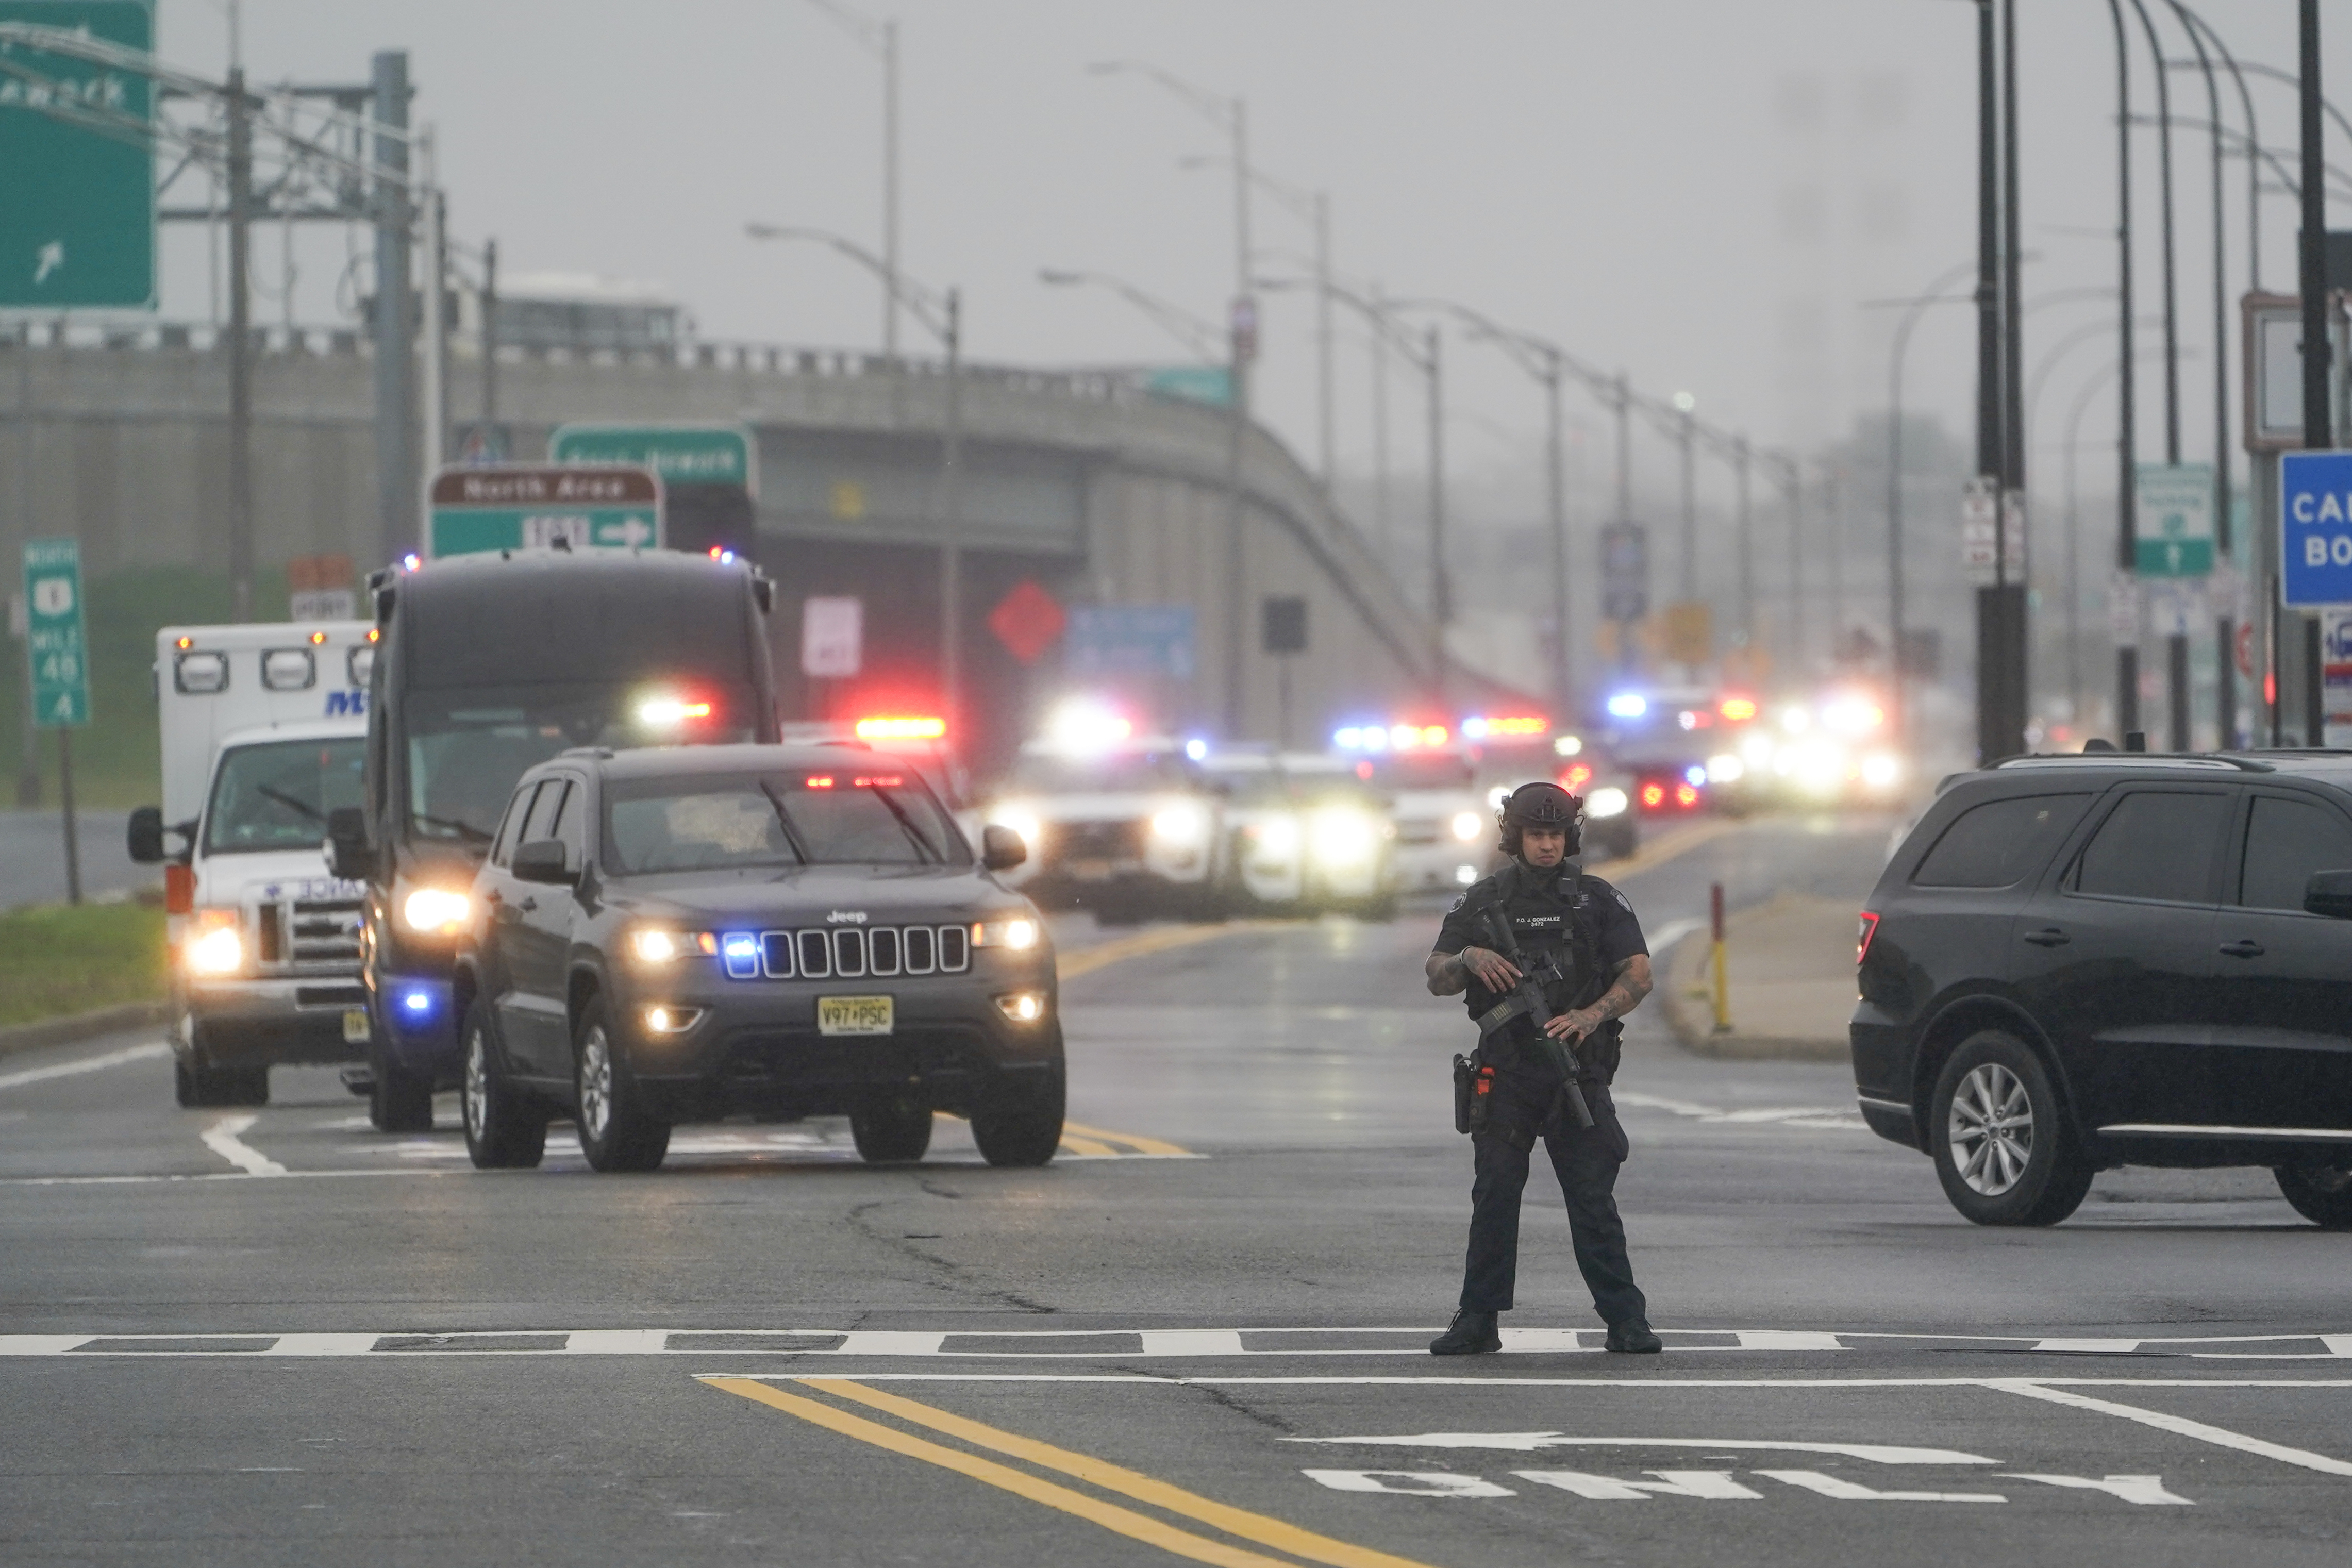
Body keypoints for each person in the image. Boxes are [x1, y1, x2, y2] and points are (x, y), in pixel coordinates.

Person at [1423, 780, 1661, 1356]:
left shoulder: (1598, 900)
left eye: (1555, 834)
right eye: (1536, 834)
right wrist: (1469, 957)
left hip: (1576, 1072)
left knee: (1592, 1200)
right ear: (1516, 836)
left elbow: (1638, 974)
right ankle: (1477, 1320)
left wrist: (1591, 1014)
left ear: (1569, 836)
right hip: (1507, 1073)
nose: (1547, 845)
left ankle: (1626, 1321)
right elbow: (1437, 976)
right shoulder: (1484, 901)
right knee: (1495, 1197)